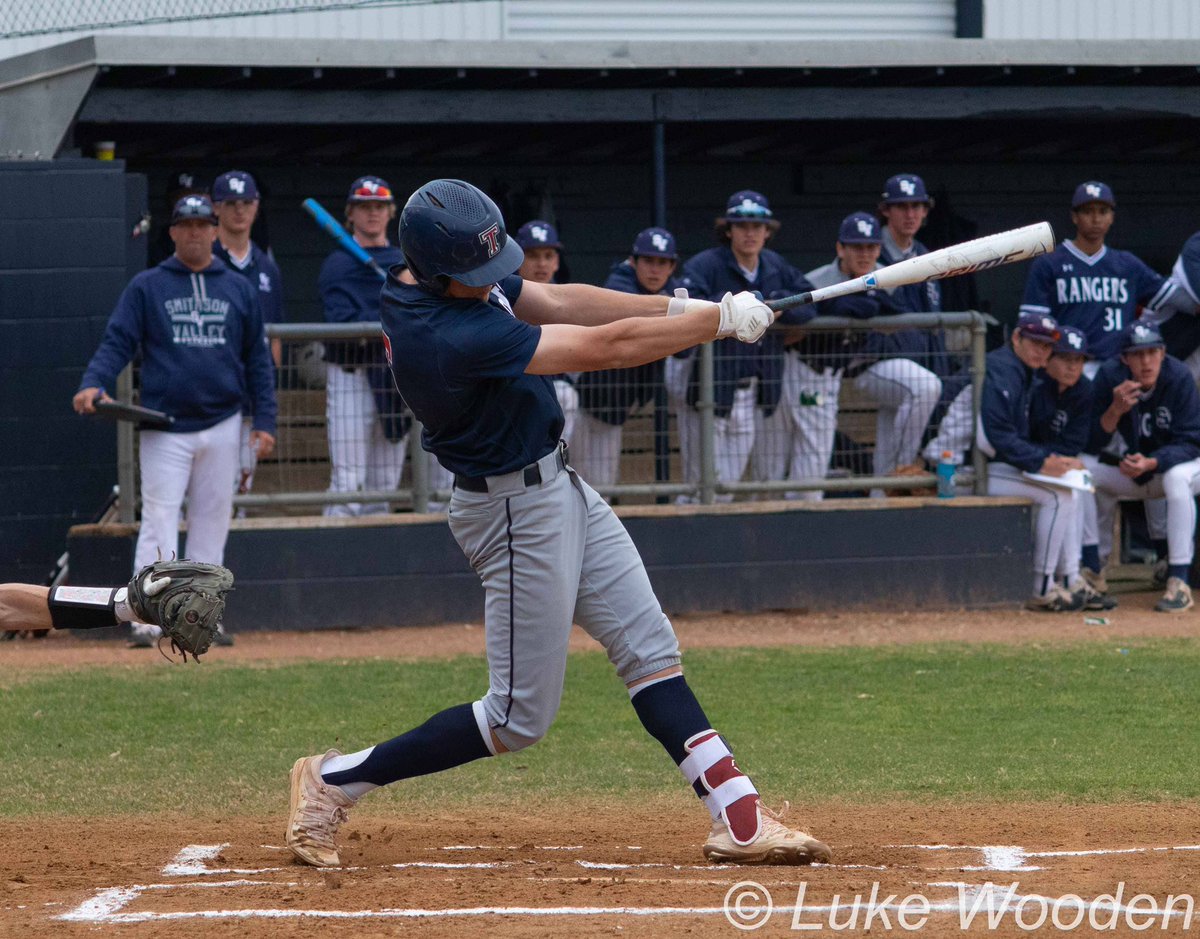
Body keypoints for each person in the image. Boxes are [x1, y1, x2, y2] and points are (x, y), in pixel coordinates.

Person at [285, 178, 830, 869]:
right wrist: (717, 324)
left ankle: (740, 814)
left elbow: (565, 297)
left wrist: (690, 305)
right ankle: (333, 780)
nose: (494, 283)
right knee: (516, 719)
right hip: (510, 512)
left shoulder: (446, 282)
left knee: (649, 649)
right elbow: (606, 344)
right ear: (440, 269)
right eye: (478, 275)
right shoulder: (449, 333)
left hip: (558, 483)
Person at [73, 195, 276, 645]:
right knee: (160, 521)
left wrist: (266, 421)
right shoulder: (148, 286)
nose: (195, 232)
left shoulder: (238, 288)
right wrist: (94, 382)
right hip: (165, 424)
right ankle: (147, 619)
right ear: (172, 232)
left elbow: (258, 362)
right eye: (186, 225)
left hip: (224, 421)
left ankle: (201, 619)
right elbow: (117, 341)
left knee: (211, 524)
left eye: (203, 224)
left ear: (215, 229)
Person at [319, 175, 454, 515]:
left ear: (392, 211)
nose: (372, 213)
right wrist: (388, 315)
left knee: (385, 484)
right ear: (350, 213)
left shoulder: (405, 260)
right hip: (352, 372)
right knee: (349, 482)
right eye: (364, 206)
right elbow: (341, 322)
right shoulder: (337, 264)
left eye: (379, 206)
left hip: (395, 377)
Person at [681, 191, 813, 499]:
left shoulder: (775, 265)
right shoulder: (706, 264)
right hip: (709, 391)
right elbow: (685, 306)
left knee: (728, 485)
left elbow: (809, 304)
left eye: (757, 225)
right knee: (701, 486)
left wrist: (779, 306)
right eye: (742, 225)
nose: (750, 232)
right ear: (728, 230)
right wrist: (736, 310)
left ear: (768, 231)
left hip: (753, 390)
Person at [1080, 323, 1200, 613]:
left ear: (1162, 353)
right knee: (1082, 472)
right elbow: (1090, 441)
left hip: (1174, 467)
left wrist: (1154, 461)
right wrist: (1114, 410)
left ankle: (1179, 580)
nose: (1146, 362)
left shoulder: (1179, 376)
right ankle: (1094, 571)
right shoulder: (1109, 376)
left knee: (1175, 478)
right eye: (1138, 354)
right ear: (1124, 358)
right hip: (1131, 469)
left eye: (1152, 352)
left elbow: (1193, 441)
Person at [977, 313, 1085, 612]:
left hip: (990, 462)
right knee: (1057, 495)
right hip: (963, 467)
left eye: (1047, 346)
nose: (1041, 351)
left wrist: (1050, 460)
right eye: (1035, 342)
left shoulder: (1022, 370)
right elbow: (995, 436)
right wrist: (1041, 461)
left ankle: (1066, 579)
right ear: (1016, 338)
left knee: (1067, 489)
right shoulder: (1002, 368)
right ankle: (1042, 587)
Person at [1020, 181, 1177, 368]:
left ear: (1112, 217)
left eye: (1103, 211)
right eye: (1087, 211)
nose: (1096, 219)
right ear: (1074, 217)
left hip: (1116, 366)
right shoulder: (1049, 263)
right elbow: (1030, 327)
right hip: (1067, 366)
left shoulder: (1128, 265)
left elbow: (1172, 296)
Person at [798, 211, 900, 499]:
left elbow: (905, 313)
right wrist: (837, 306)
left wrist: (871, 300)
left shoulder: (887, 280)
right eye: (856, 247)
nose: (864, 254)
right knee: (791, 460)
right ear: (841, 248)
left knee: (809, 460)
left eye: (871, 247)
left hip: (827, 377)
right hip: (800, 371)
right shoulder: (816, 281)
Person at [573, 227, 682, 488]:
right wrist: (675, 318)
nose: (655, 269)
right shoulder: (619, 284)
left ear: (672, 266)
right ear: (633, 262)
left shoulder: (674, 290)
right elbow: (634, 313)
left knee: (602, 487)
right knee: (573, 483)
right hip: (582, 403)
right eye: (648, 261)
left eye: (662, 262)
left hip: (615, 408)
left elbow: (685, 348)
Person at [854, 175, 945, 489]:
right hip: (870, 360)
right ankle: (899, 472)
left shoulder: (925, 254)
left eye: (916, 206)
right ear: (885, 211)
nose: (910, 214)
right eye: (901, 206)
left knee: (891, 428)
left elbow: (932, 322)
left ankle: (881, 494)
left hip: (910, 361)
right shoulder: (867, 249)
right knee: (925, 388)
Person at [212, 169, 285, 507]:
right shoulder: (204, 261)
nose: (239, 210)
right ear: (216, 208)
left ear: (256, 207)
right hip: (212, 395)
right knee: (212, 491)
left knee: (241, 487)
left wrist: (268, 397)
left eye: (246, 202)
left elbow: (276, 338)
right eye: (230, 203)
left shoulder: (267, 267)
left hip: (251, 394)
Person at [1028, 326, 1113, 610]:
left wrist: (1060, 459)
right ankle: (1064, 577)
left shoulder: (1084, 389)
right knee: (1067, 487)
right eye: (1065, 358)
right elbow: (1023, 437)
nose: (1072, 367)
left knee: (1076, 482)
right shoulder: (1034, 384)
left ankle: (1073, 576)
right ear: (1050, 357)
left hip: (1054, 462)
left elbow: (1076, 439)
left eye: (1078, 360)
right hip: (1025, 462)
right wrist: (1049, 457)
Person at [515, 219, 578, 443]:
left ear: (557, 262)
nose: (541, 264)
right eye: (533, 255)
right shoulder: (501, 294)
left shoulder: (571, 298)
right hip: (512, 390)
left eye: (548, 256)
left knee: (565, 394)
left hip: (564, 393)